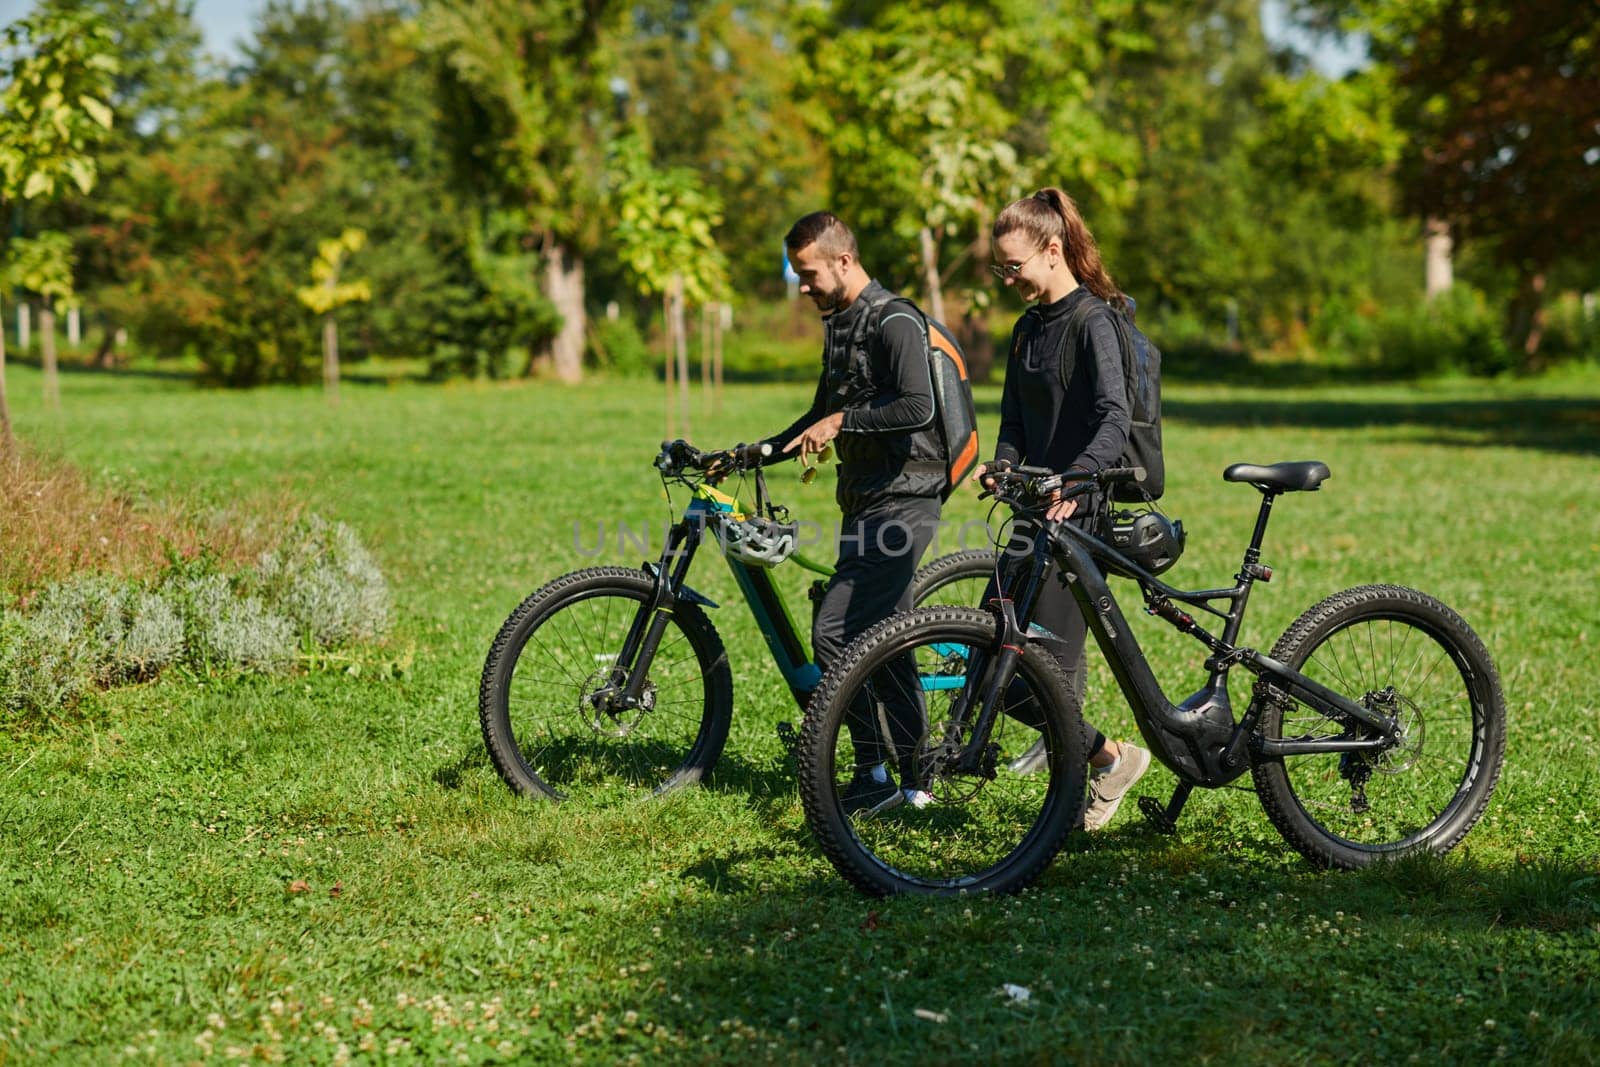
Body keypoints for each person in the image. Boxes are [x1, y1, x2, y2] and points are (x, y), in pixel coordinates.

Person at [973, 187, 1151, 831]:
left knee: (1041, 669)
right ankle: (1112, 757)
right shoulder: (1027, 330)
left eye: (1013, 265)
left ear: (1053, 251)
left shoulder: (1093, 322)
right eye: (1000, 268)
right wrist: (1003, 465)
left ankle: (1083, 780)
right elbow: (1015, 420)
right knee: (987, 653)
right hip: (1031, 511)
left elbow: (1113, 417)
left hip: (1078, 514)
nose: (1007, 278)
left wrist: (1077, 480)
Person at [758, 211, 943, 815]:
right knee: (875, 635)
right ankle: (902, 775)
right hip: (863, 499)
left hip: (905, 501)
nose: (803, 287)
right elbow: (816, 416)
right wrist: (749, 454)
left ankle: (884, 772)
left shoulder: (895, 319)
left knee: (839, 632)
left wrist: (845, 420)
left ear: (843, 261)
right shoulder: (841, 326)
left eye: (809, 274)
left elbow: (918, 404)